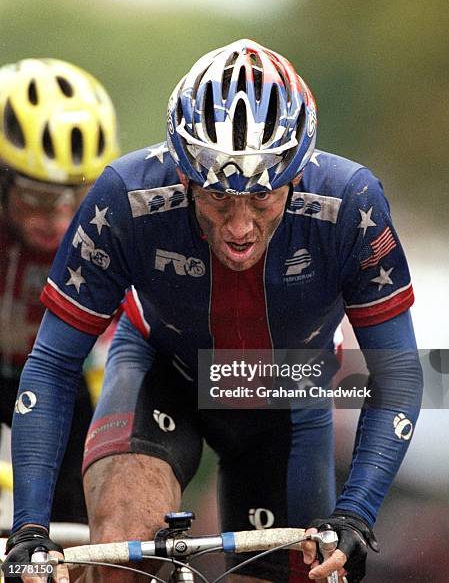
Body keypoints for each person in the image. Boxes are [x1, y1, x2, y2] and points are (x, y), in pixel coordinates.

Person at [2, 41, 422, 583]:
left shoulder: (352, 206)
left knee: (308, 572)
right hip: (162, 371)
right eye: (218, 199)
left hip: (287, 393)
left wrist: (356, 512)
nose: (239, 226)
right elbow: (55, 365)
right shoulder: (125, 198)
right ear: (183, 176)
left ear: (295, 177)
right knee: (121, 556)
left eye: (262, 199)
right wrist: (30, 532)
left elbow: (401, 373)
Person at [0, 58, 119, 526]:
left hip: (58, 382)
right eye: (40, 197)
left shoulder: (103, 232)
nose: (60, 219)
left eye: (78, 196)